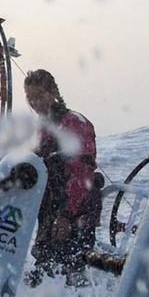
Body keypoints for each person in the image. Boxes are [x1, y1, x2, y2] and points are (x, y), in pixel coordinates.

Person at [24, 69, 100, 286]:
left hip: (76, 210)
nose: (34, 103)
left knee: (69, 274)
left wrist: (67, 215)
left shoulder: (74, 123)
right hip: (50, 209)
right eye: (30, 98)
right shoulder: (42, 128)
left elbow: (82, 173)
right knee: (43, 270)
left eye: (39, 96)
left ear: (53, 92)